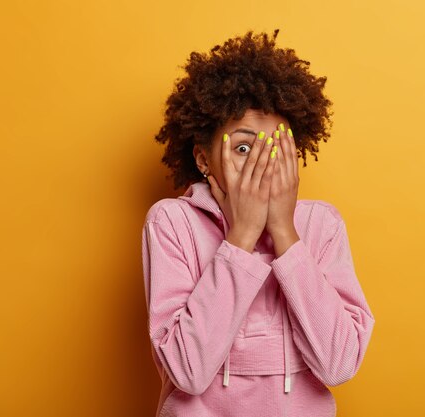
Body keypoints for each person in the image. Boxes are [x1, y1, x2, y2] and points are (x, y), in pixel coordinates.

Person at [141, 29, 375, 417]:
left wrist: (285, 233)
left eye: (275, 149)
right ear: (203, 159)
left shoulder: (321, 225)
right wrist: (242, 236)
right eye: (243, 147)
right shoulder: (171, 222)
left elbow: (339, 366)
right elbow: (188, 372)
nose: (260, 165)